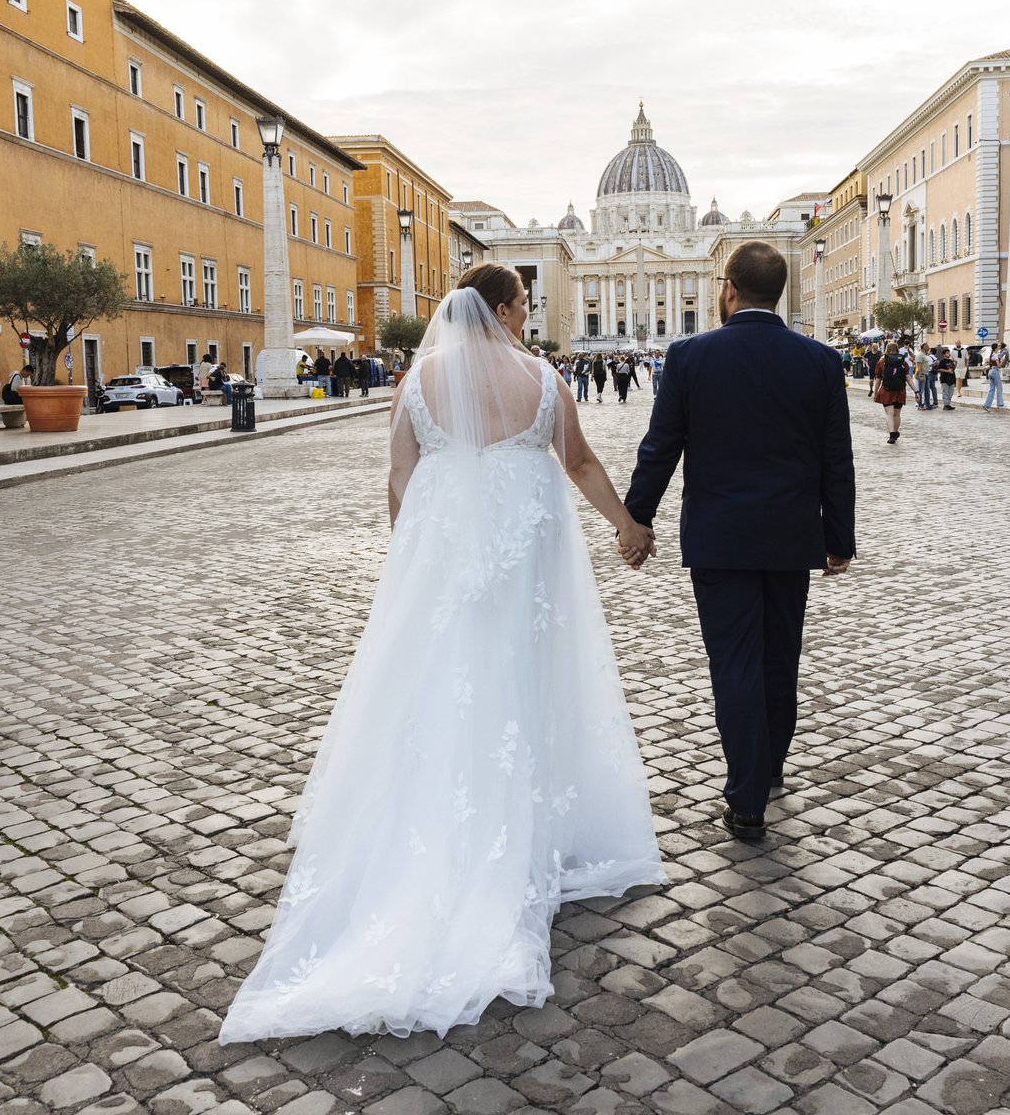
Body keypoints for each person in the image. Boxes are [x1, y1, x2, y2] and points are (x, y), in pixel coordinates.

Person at [217, 264, 662, 1044]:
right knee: (523, 686)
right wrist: (626, 525)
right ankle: (518, 829)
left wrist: (412, 563)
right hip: (525, 565)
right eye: (523, 304)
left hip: (447, 565)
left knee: (441, 690)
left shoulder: (417, 381)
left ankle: (438, 826)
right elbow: (581, 463)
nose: (529, 315)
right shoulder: (541, 377)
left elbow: (400, 479)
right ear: (499, 308)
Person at [622, 241, 857, 842]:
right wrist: (841, 538)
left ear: (727, 288)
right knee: (781, 659)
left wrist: (636, 518)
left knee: (735, 664)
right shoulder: (820, 362)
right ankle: (769, 766)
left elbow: (661, 446)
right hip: (790, 536)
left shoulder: (689, 356)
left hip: (719, 537)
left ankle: (746, 792)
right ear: (776, 291)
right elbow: (838, 459)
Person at [876, 343, 909, 442]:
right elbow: (908, 377)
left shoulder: (881, 362)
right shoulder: (903, 362)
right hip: (900, 391)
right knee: (897, 414)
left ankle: (892, 434)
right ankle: (895, 431)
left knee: (889, 413)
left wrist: (875, 391)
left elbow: (878, 379)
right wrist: (916, 391)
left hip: (886, 390)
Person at [983, 343, 1009, 410]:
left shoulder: (992, 354)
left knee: (991, 389)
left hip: (990, 371)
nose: (999, 347)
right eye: (998, 346)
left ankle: (987, 404)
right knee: (999, 387)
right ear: (996, 348)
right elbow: (999, 365)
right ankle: (1000, 403)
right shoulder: (996, 355)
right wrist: (1002, 361)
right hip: (995, 371)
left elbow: (990, 362)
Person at [936, 345, 958, 411]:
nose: (949, 354)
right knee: (945, 392)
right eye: (947, 353)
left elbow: (953, 369)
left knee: (951, 392)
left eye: (949, 353)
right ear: (944, 355)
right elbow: (939, 369)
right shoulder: (942, 361)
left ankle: (948, 404)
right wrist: (947, 371)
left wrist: (956, 363)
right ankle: (946, 405)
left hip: (951, 378)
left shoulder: (951, 361)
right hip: (945, 379)